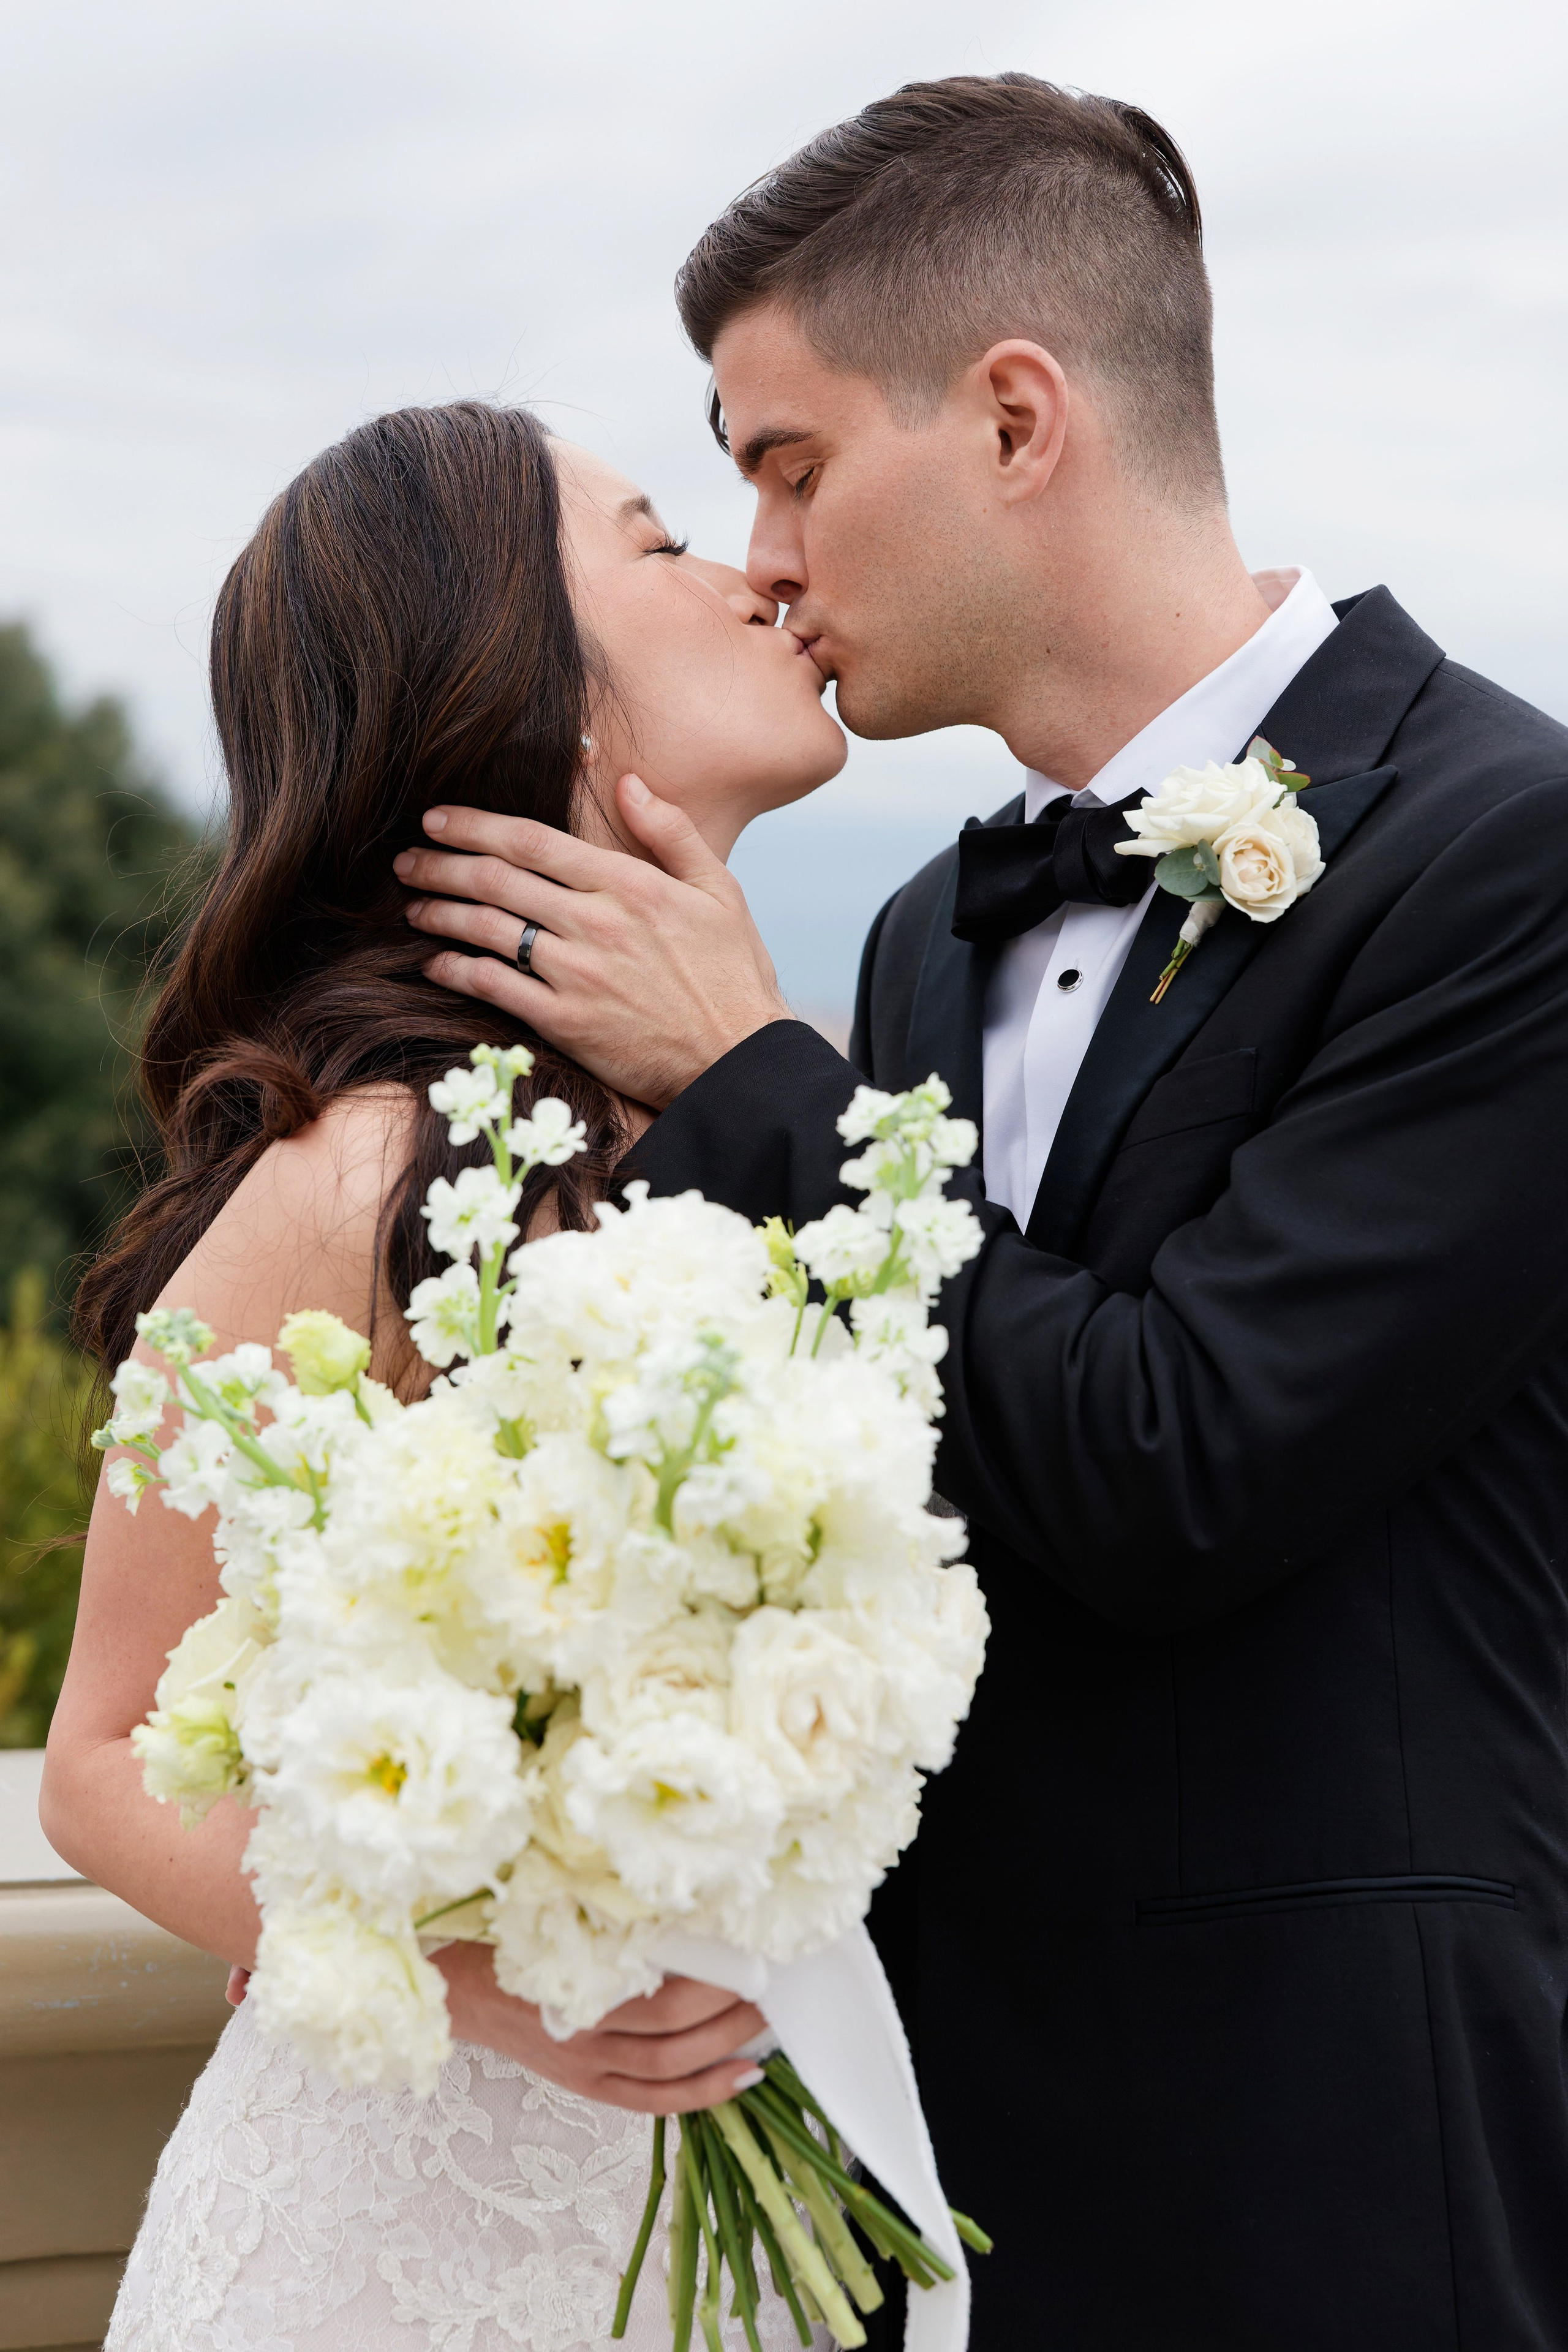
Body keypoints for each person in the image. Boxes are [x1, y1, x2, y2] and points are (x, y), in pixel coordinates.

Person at [404, 75, 1568, 2350]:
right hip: (928, 2165)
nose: (761, 556)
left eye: (791, 461)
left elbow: (1180, 1456)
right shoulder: (923, 929)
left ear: (1019, 419)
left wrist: (752, 1090)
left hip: (1333, 2173)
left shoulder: (1508, 852)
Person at [40, 401, 843, 2352]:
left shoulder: (813, 1095)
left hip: (763, 2190)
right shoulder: (362, 1172)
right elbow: (101, 1757)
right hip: (414, 2235)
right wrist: (466, 1973)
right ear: (534, 697)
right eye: (659, 543)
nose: (750, 570)